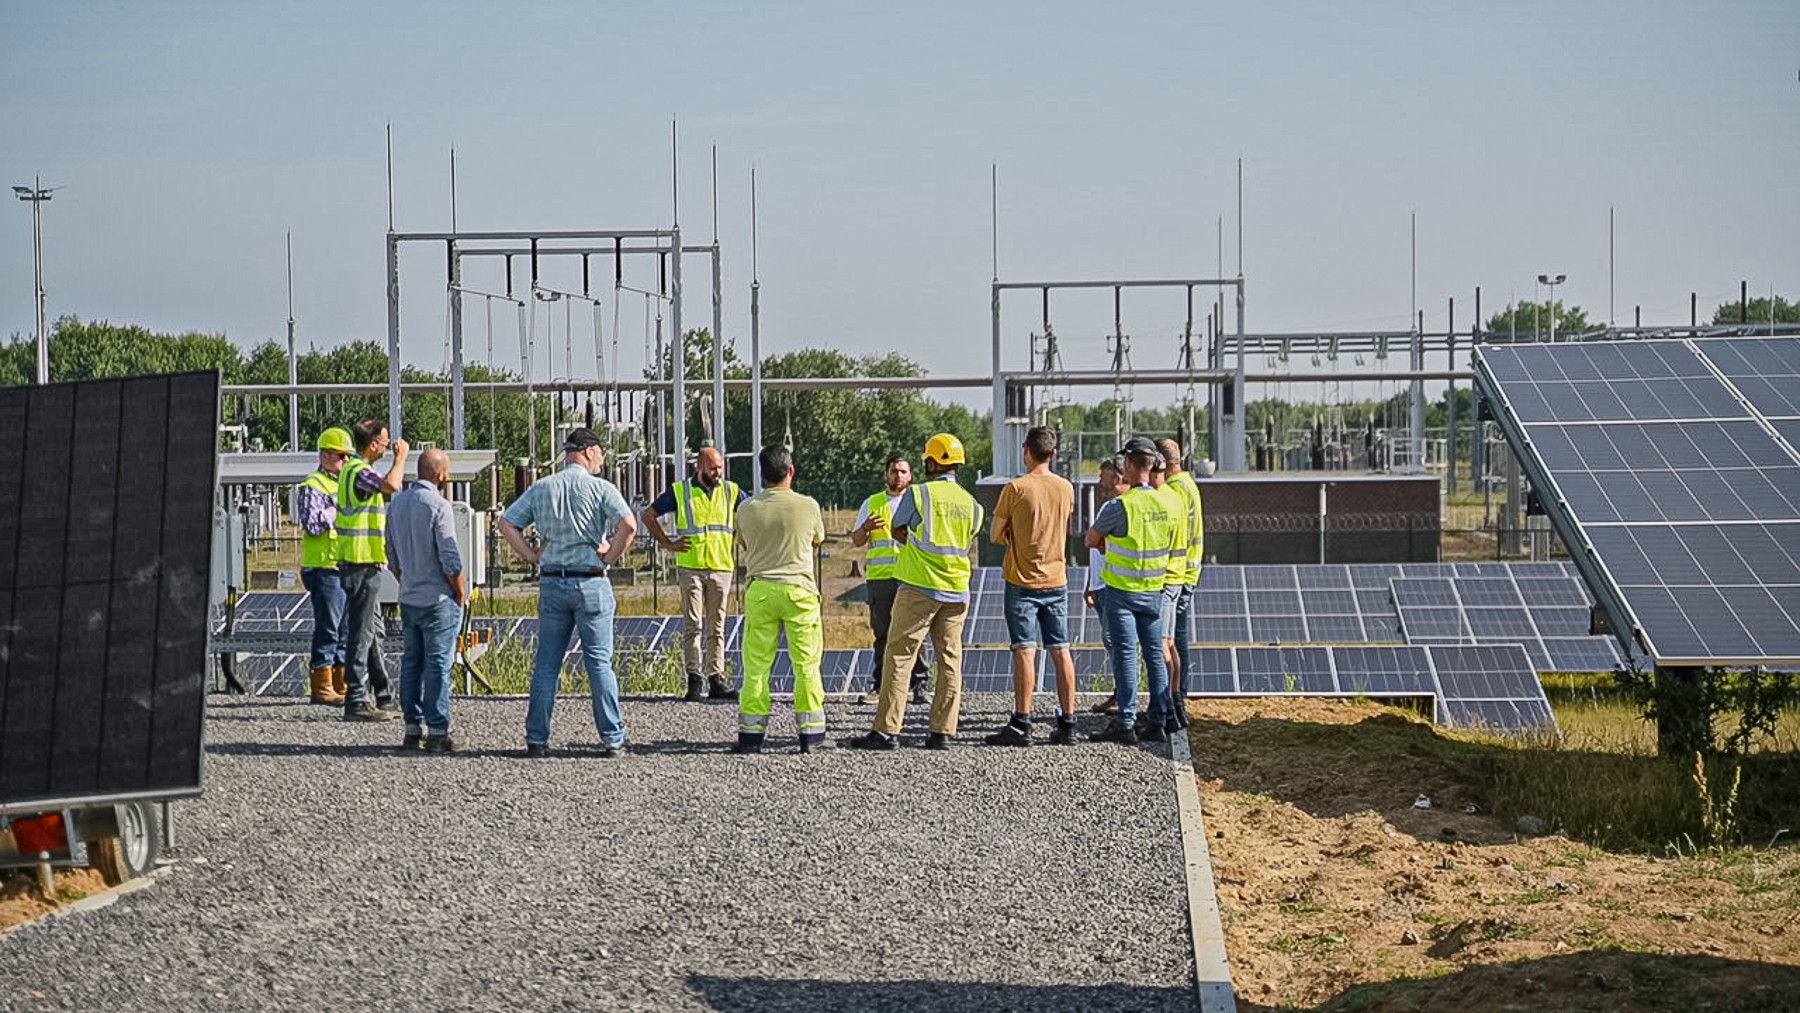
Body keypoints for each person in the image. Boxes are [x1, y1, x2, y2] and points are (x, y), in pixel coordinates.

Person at [497, 428, 637, 759]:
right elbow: (629, 525)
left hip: (552, 581)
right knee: (599, 663)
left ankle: (537, 738)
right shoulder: (601, 488)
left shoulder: (542, 487)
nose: (602, 458)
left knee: (547, 663)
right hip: (590, 581)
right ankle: (613, 738)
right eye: (600, 452)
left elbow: (506, 524)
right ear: (588, 451)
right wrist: (610, 555)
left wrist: (532, 556)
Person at [850, 433, 984, 751]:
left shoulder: (919, 493)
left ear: (932, 463)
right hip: (957, 590)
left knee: (899, 654)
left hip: (919, 587)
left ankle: (886, 731)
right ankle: (943, 732)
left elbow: (898, 526)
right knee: (949, 660)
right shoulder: (972, 503)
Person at [984, 426, 1078, 747]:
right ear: (1053, 453)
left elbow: (995, 534)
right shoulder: (1066, 488)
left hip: (1022, 580)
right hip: (1057, 578)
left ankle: (1022, 721)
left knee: (1025, 650)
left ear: (1026, 450)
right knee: (1060, 648)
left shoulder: (1016, 488)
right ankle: (1067, 721)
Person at [732, 444, 828, 755]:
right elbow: (818, 540)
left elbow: (744, 543)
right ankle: (811, 734)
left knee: (757, 665)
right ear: (791, 471)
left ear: (762, 474)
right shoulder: (808, 506)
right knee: (806, 664)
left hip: (761, 589)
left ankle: (751, 734)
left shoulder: (746, 509)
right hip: (799, 590)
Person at [1084, 437, 1176, 745]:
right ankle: (1158, 720)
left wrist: (1107, 542)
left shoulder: (1120, 506)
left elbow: (1090, 539)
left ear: (1128, 464)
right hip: (1154, 590)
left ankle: (1125, 721)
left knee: (1125, 654)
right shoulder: (1166, 504)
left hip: (1122, 591)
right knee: (1154, 654)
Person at [641, 446, 746, 702]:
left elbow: (753, 511)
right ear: (699, 466)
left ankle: (716, 677)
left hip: (721, 566)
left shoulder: (731, 491)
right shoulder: (681, 491)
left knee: (717, 625)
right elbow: (649, 515)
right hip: (691, 567)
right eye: (713, 468)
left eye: (720, 467)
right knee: (693, 625)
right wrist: (668, 543)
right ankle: (694, 678)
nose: (718, 472)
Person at [385, 448, 468, 753]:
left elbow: (390, 554)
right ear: (441, 475)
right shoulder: (439, 506)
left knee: (411, 663)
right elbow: (450, 558)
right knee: (437, 665)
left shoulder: (396, 504)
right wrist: (459, 591)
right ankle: (437, 732)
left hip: (409, 597)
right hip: (437, 599)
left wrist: (406, 579)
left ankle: (411, 729)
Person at [336, 419, 409, 722]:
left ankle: (383, 693)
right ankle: (356, 697)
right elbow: (392, 485)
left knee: (372, 630)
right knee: (362, 632)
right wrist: (401, 458)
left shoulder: (350, 469)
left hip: (361, 562)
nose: (389, 445)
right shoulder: (359, 471)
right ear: (374, 444)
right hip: (360, 562)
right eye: (385, 441)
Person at [850, 454, 931, 706]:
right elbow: (857, 540)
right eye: (894, 471)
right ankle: (881, 685)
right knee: (883, 634)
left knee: (914, 632)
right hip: (881, 579)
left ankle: (920, 684)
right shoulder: (872, 503)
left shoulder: (919, 502)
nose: (898, 476)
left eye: (903, 471)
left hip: (911, 577)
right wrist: (865, 528)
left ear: (911, 476)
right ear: (886, 474)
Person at [297, 427, 354, 706]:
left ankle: (340, 683)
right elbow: (311, 524)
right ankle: (322, 685)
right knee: (328, 628)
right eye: (341, 456)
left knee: (344, 630)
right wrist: (333, 512)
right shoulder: (313, 484)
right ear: (325, 455)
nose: (346, 461)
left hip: (342, 565)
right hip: (323, 567)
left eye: (348, 456)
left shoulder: (344, 485)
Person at [1158, 437, 1205, 731]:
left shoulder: (1175, 489)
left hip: (1177, 573)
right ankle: (1177, 700)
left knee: (1172, 641)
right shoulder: (1188, 483)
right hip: (1189, 571)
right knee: (1176, 640)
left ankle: (1175, 699)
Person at [1147, 450, 1190, 737]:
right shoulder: (1176, 497)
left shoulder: (1160, 500)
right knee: (1170, 644)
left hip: (1163, 579)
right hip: (1177, 576)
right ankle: (1174, 703)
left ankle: (1165, 711)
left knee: (1161, 646)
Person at [1086, 456, 1127, 716]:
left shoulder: (1120, 506)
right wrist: (1090, 583)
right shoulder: (1108, 507)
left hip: (1113, 585)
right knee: (1110, 640)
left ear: (1118, 477)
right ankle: (1120, 692)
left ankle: (1124, 697)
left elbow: (1094, 541)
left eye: (1104, 476)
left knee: (1116, 641)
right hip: (1101, 584)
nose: (1101, 482)